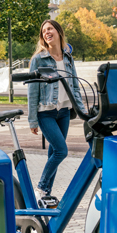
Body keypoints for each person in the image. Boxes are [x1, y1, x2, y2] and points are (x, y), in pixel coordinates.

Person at [27, 20, 87, 203]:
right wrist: (32, 120)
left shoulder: (68, 58)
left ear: (59, 31)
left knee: (53, 153)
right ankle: (40, 188)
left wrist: (84, 112)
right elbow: (33, 91)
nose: (47, 32)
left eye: (50, 29)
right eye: (44, 31)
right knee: (61, 151)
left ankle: (45, 194)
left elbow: (75, 87)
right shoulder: (38, 59)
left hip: (64, 112)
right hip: (46, 113)